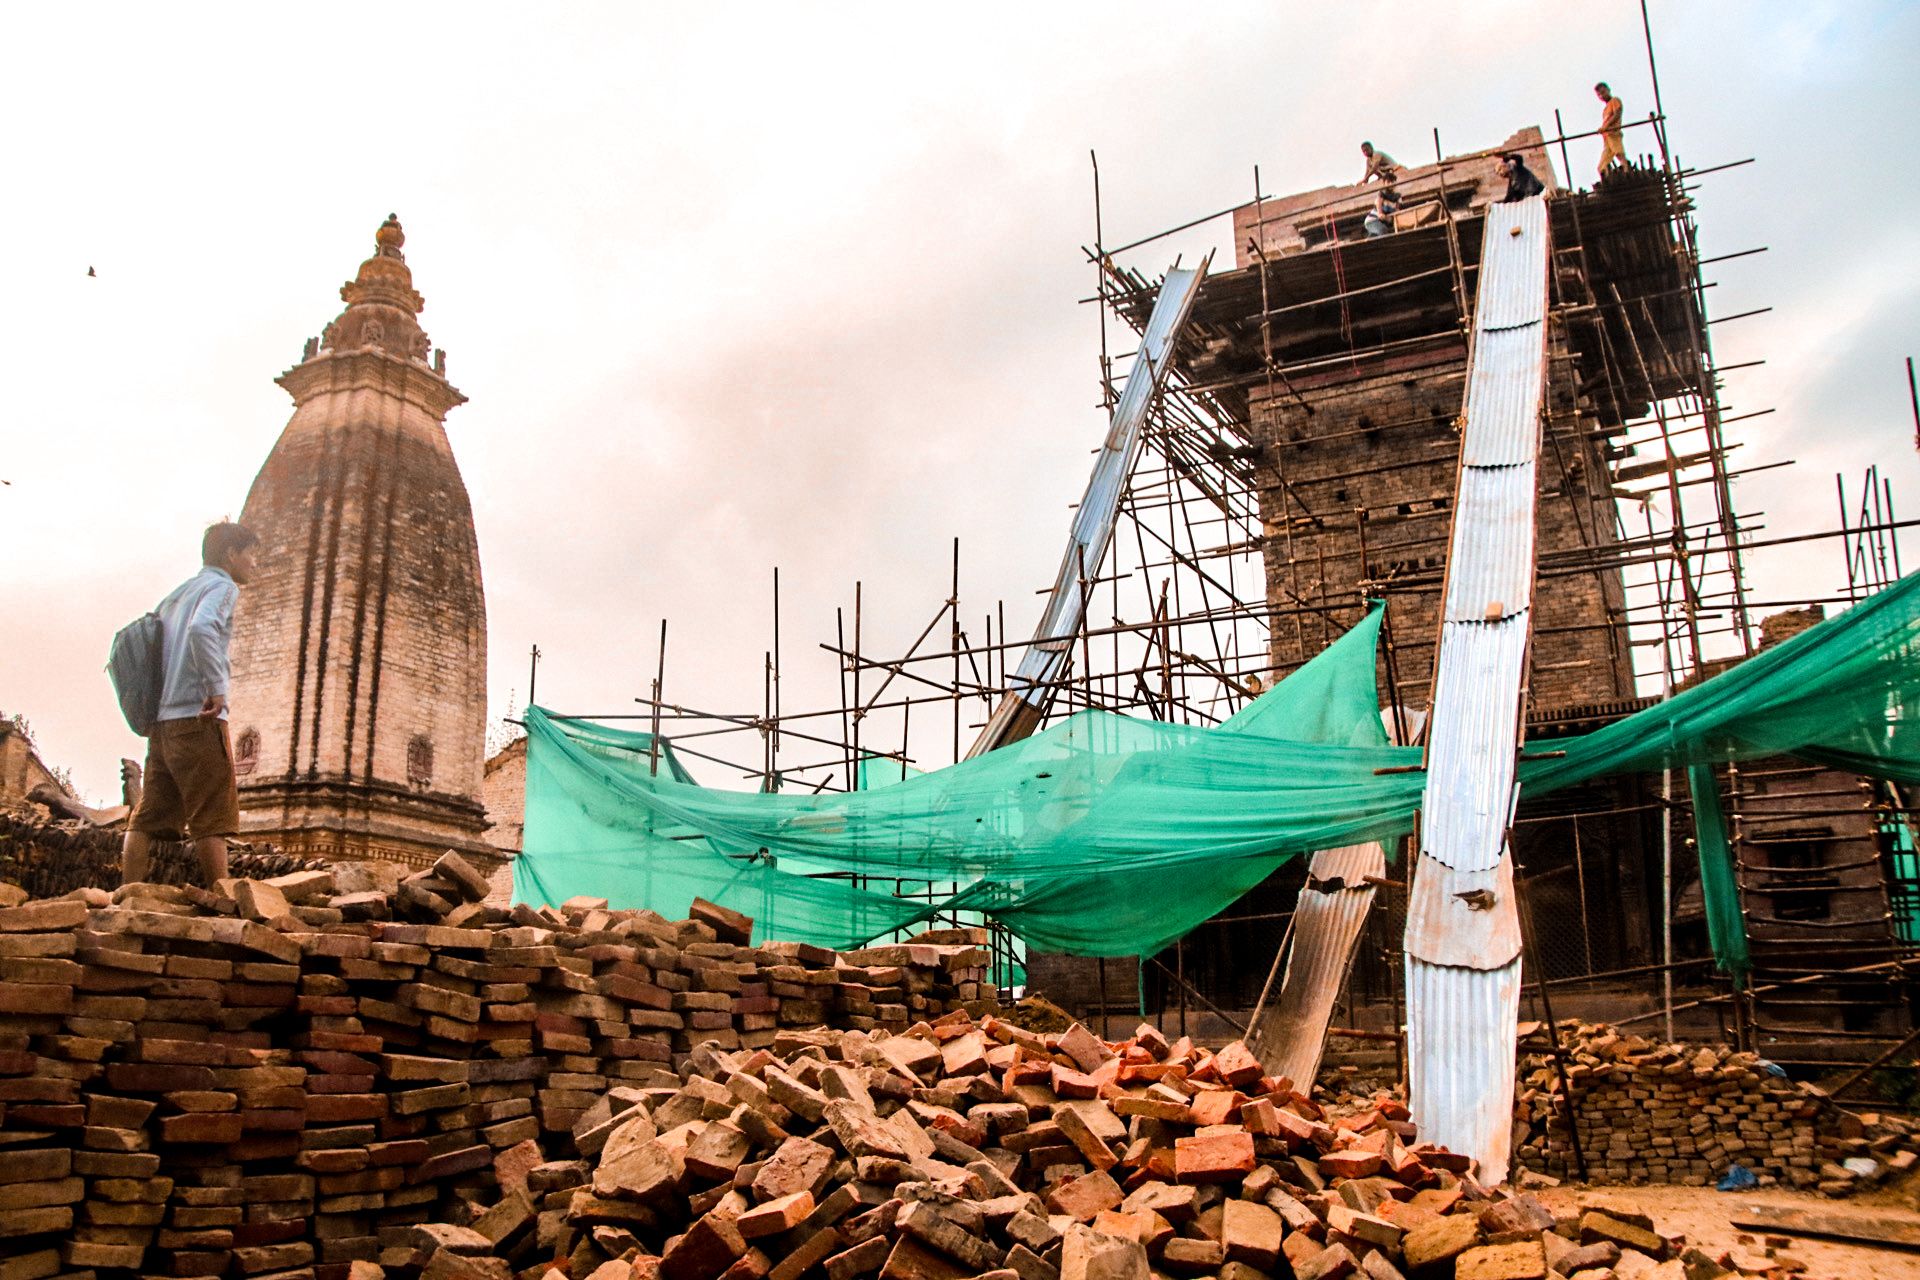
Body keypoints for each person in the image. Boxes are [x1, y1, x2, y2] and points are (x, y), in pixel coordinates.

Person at [120, 521, 258, 887]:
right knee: (211, 814)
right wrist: (216, 689)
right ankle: (224, 897)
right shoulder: (222, 587)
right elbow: (202, 629)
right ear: (231, 555)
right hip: (198, 716)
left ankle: (126, 892)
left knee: (147, 816)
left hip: (163, 722)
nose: (254, 563)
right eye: (250, 554)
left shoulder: (176, 595)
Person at [1595, 82, 1626, 177]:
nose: (1602, 96)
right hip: (1607, 137)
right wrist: (1604, 129)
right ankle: (1608, 177)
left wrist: (1605, 127)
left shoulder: (1615, 101)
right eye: (1599, 95)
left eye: (1603, 92)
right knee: (1601, 166)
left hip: (1613, 133)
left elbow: (1617, 114)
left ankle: (1626, 171)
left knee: (1619, 154)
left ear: (1608, 90)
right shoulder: (1605, 110)